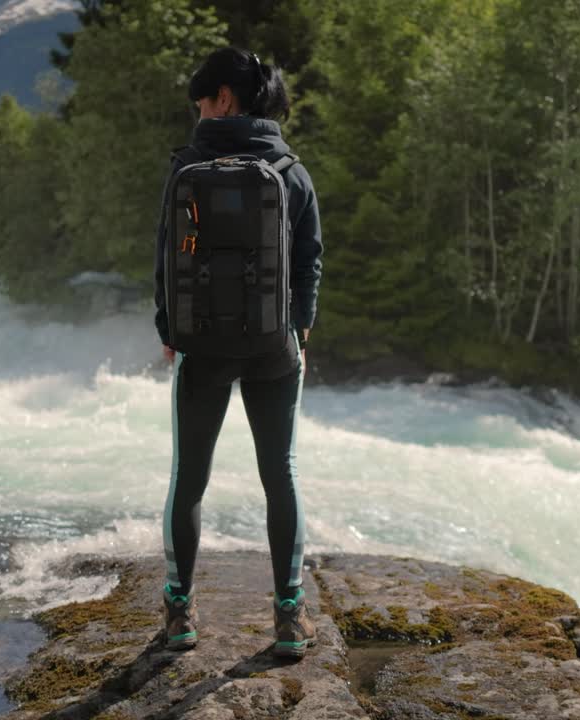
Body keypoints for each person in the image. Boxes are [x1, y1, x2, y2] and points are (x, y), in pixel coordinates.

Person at [153, 47, 323, 658]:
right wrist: (299, 329)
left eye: (201, 101)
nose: (198, 112)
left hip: (201, 346)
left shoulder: (186, 168)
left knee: (189, 477)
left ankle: (180, 614)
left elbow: (166, 256)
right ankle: (288, 616)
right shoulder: (291, 169)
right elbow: (309, 259)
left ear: (223, 98)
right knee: (281, 474)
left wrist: (170, 330)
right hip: (273, 348)